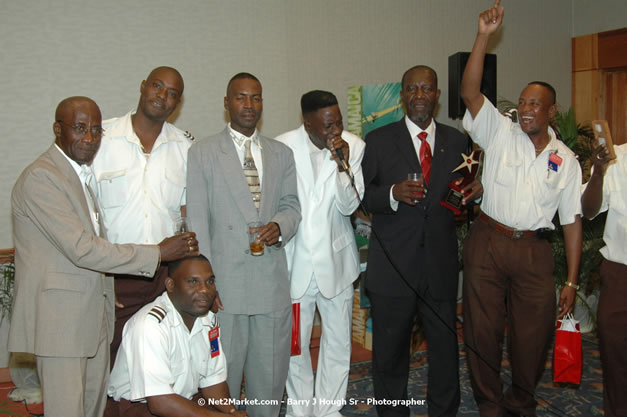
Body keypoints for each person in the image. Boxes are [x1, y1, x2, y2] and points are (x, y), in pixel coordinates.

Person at [8, 96, 197, 417]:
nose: (90, 138)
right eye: (80, 128)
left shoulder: (80, 176)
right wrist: (159, 252)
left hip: (91, 314)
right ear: (57, 129)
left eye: (96, 130)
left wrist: (105, 290)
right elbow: (82, 248)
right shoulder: (43, 177)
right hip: (61, 322)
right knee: (68, 410)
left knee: (94, 408)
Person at [460, 2, 583, 416]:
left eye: (536, 104)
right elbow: (470, 92)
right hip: (488, 242)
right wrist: (483, 36)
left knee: (532, 338)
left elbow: (571, 222)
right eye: (524, 102)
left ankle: (520, 400)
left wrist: (570, 281)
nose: (527, 108)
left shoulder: (565, 159)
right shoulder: (499, 130)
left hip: (534, 252)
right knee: (482, 329)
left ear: (552, 112)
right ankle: (489, 402)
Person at [362, 65, 482, 417]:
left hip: (440, 268)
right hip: (393, 269)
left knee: (445, 352)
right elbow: (362, 198)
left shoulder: (458, 141)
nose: (419, 95)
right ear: (402, 96)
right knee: (390, 356)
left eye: (426, 88)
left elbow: (462, 193)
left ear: (437, 95)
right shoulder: (379, 140)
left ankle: (444, 411)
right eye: (411, 89)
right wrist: (394, 193)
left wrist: (475, 193)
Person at [186, 73, 301, 417]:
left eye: (256, 98)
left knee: (269, 381)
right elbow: (197, 221)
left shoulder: (281, 153)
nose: (249, 105)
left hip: (270, 284)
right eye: (241, 97)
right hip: (225, 288)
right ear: (226, 104)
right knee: (223, 382)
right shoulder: (203, 152)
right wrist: (205, 285)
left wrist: (279, 227)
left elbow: (292, 205)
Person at [90, 66, 197, 364]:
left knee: (158, 365)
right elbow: (86, 218)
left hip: (164, 278)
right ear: (142, 86)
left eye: (172, 94)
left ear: (178, 103)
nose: (162, 96)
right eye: (157, 87)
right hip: (115, 276)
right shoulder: (102, 139)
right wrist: (100, 286)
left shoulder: (185, 147)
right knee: (108, 366)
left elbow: (188, 217)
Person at [275, 90, 365, 417]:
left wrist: (343, 166)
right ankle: (302, 411)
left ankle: (328, 410)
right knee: (294, 347)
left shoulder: (353, 147)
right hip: (294, 265)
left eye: (338, 122)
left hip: (337, 263)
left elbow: (349, 205)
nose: (334, 131)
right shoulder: (281, 147)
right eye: (326, 125)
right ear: (307, 123)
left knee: (338, 341)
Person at [107, 255, 248, 417]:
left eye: (209, 282)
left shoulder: (209, 320)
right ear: (170, 285)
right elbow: (159, 403)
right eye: (193, 282)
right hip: (139, 408)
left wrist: (231, 412)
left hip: (181, 402)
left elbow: (212, 380)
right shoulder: (151, 324)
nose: (204, 290)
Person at [581, 142, 627, 417]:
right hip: (620, 274)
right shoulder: (616, 158)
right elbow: (588, 211)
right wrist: (598, 173)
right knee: (615, 355)